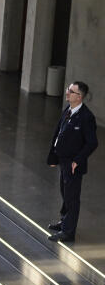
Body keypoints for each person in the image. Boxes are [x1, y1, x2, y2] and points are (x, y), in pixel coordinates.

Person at [47, 81, 97, 243]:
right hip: (63, 160)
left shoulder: (86, 117)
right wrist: (54, 156)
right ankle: (64, 222)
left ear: (79, 96)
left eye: (71, 91)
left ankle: (68, 232)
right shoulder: (68, 110)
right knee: (65, 193)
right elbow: (58, 133)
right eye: (68, 90)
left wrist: (77, 160)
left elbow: (92, 143)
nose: (67, 93)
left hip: (73, 164)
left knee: (72, 197)